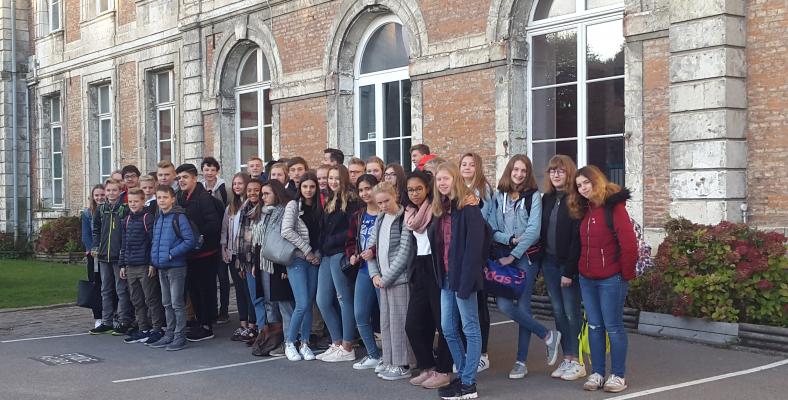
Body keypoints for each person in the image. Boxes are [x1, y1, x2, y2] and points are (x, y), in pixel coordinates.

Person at [488, 154, 561, 379]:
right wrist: (509, 240)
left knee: (523, 306)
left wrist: (514, 254)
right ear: (509, 171)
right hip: (504, 255)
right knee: (503, 305)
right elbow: (492, 228)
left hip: (525, 258)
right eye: (516, 170)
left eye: (523, 171)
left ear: (528, 174)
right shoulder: (499, 195)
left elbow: (533, 231)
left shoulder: (534, 196)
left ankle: (521, 362)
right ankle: (547, 335)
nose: (519, 174)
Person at [569, 165, 637, 393]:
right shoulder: (584, 209)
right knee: (594, 326)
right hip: (587, 279)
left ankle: (618, 375)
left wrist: (624, 275)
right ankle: (597, 373)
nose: (583, 188)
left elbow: (629, 245)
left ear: (596, 181)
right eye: (579, 185)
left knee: (613, 327)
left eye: (586, 183)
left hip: (611, 279)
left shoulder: (614, 207)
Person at [430, 162, 486, 400]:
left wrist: (466, 282)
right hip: (446, 277)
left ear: (456, 179)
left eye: (446, 178)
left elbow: (475, 248)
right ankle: (463, 375)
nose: (442, 183)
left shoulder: (469, 207)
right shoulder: (442, 208)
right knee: (448, 328)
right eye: (438, 179)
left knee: (470, 328)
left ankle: (468, 383)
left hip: (464, 278)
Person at [403, 170, 452, 389]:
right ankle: (428, 367)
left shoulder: (437, 209)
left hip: (437, 268)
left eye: (419, 189)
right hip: (420, 268)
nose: (414, 193)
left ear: (427, 189)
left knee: (443, 323)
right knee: (412, 324)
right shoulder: (411, 213)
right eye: (410, 190)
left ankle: (444, 370)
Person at [539, 155, 584, 381]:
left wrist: (569, 271)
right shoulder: (547, 198)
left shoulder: (576, 199)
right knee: (557, 311)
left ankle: (578, 360)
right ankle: (567, 357)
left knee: (571, 312)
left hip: (568, 266)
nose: (556, 174)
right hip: (549, 263)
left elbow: (577, 239)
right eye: (552, 170)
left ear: (569, 173)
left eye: (561, 171)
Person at [366, 182, 415, 381]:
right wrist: (374, 275)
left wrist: (385, 278)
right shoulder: (380, 218)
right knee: (386, 322)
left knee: (399, 323)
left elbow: (404, 252)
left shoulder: (404, 218)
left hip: (399, 280)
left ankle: (403, 364)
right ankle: (389, 360)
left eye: (386, 201)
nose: (384, 206)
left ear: (395, 195)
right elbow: (371, 249)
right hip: (383, 279)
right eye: (380, 203)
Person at [316, 164, 361, 362]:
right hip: (327, 255)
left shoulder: (351, 201)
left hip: (340, 254)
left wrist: (332, 241)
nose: (333, 182)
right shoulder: (329, 199)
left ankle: (348, 345)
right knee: (322, 300)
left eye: (336, 178)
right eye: (330, 178)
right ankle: (336, 342)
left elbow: (352, 230)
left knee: (344, 299)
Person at [176, 163, 222, 342]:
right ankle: (199, 321)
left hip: (205, 253)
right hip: (191, 253)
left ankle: (206, 325)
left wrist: (195, 236)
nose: (181, 181)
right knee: (194, 290)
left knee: (205, 290)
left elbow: (213, 224)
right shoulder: (181, 196)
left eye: (185, 177)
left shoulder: (203, 198)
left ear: (195, 178)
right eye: (179, 178)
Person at [148, 185, 196, 351]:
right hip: (162, 266)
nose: (162, 201)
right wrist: (154, 261)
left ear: (172, 199)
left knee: (177, 303)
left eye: (165, 197)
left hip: (176, 267)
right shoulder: (159, 218)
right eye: (159, 198)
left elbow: (189, 241)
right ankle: (169, 333)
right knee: (166, 303)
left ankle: (179, 335)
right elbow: (155, 241)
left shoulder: (178, 217)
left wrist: (171, 254)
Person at [458, 152, 494, 372]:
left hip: (478, 252)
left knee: (480, 305)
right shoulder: (458, 188)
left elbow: (484, 221)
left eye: (472, 164)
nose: (467, 167)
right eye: (464, 164)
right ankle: (468, 350)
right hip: (461, 253)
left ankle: (483, 353)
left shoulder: (483, 190)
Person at [281, 171, 322, 361]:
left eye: (312, 186)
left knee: (309, 302)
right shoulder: (293, 205)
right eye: (305, 186)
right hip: (297, 259)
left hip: (315, 260)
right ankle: (290, 342)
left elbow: (322, 233)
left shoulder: (319, 205)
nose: (308, 190)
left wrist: (317, 254)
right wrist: (307, 251)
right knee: (302, 302)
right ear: (300, 187)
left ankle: (304, 343)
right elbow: (286, 231)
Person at [118, 188, 165, 345]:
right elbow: (124, 244)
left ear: (143, 201)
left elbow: (153, 242)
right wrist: (123, 264)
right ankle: (143, 328)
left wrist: (152, 263)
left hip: (144, 265)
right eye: (130, 201)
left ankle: (157, 328)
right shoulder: (126, 220)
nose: (133, 204)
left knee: (150, 298)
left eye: (136, 201)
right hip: (130, 265)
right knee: (136, 300)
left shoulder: (147, 218)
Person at [346, 174, 382, 370]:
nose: (365, 193)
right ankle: (373, 354)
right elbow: (351, 241)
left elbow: (389, 241)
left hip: (382, 271)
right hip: (363, 270)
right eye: (361, 190)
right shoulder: (358, 215)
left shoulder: (384, 212)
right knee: (360, 314)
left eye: (368, 188)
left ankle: (391, 357)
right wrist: (352, 254)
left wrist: (373, 251)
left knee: (386, 316)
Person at [89, 179, 133, 335]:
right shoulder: (101, 209)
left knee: (121, 290)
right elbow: (96, 230)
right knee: (105, 290)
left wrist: (123, 252)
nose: (111, 193)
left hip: (118, 256)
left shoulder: (124, 209)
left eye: (114, 190)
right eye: (108, 190)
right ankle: (106, 321)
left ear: (120, 191)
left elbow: (127, 231)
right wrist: (96, 246)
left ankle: (123, 320)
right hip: (103, 256)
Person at [221, 172, 258, 342]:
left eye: (240, 183)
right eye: (234, 183)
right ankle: (243, 324)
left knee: (249, 291)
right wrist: (224, 248)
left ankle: (252, 324)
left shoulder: (250, 206)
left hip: (246, 255)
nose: (237, 186)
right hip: (233, 253)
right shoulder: (231, 207)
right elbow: (225, 230)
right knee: (239, 290)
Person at [236, 180, 270, 351]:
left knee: (268, 300)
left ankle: (269, 333)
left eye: (257, 190)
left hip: (261, 262)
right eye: (249, 190)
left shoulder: (264, 211)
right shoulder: (244, 209)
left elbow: (261, 240)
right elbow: (241, 238)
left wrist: (257, 261)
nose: (252, 193)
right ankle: (261, 332)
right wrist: (241, 263)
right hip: (247, 263)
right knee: (256, 299)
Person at [199, 157, 230, 324]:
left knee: (222, 276)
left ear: (217, 171)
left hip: (222, 238)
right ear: (202, 171)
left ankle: (224, 310)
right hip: (207, 240)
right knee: (208, 277)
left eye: (212, 170)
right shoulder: (199, 188)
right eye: (206, 169)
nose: (209, 173)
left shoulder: (225, 189)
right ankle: (211, 309)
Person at [82, 184, 105, 328]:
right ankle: (98, 317)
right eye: (97, 195)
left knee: (109, 286)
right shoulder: (87, 213)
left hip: (108, 253)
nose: (100, 198)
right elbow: (86, 235)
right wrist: (93, 249)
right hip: (95, 255)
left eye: (102, 195)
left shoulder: (109, 211)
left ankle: (111, 314)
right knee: (95, 285)